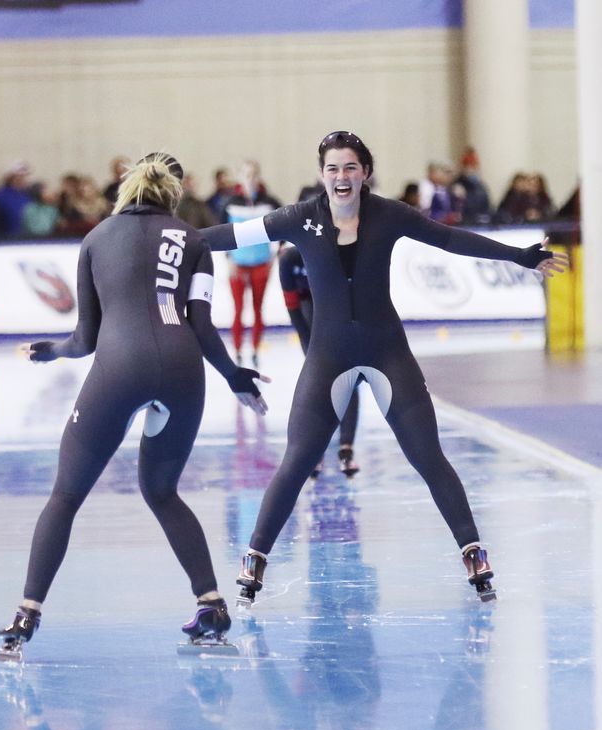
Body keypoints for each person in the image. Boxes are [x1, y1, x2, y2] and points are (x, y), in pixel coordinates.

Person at [201, 130, 568, 604]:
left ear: (365, 173)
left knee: (428, 456)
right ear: (321, 175)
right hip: (328, 354)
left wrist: (519, 256)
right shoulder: (298, 218)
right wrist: (164, 241)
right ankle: (255, 558)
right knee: (297, 460)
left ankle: (473, 551)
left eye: (350, 167)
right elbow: (228, 236)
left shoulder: (389, 214)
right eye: (332, 168)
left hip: (386, 351)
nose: (341, 177)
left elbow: (450, 238)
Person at [0, 153, 269, 662]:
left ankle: (26, 613)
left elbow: (85, 340)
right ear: (173, 196)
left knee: (65, 496)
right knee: (162, 491)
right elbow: (203, 325)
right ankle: (211, 604)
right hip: (184, 370)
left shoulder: (97, 238)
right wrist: (235, 377)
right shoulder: (194, 239)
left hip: (121, 367)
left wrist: (48, 351)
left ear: (124, 193)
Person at [278, 243, 359, 478]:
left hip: (341, 312)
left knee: (348, 377)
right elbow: (293, 307)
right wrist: (308, 344)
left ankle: (346, 448)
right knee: (321, 380)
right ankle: (317, 450)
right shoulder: (289, 259)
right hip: (309, 313)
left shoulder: (337, 251)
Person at [221, 159, 281, 367]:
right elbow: (223, 232)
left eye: (253, 174)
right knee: (238, 309)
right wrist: (229, 259)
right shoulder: (230, 203)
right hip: (238, 264)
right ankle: (237, 351)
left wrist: (275, 254)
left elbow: (282, 227)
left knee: (257, 308)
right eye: (246, 174)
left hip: (261, 264)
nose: (250, 179)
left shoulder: (269, 202)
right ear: (239, 177)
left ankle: (255, 350)